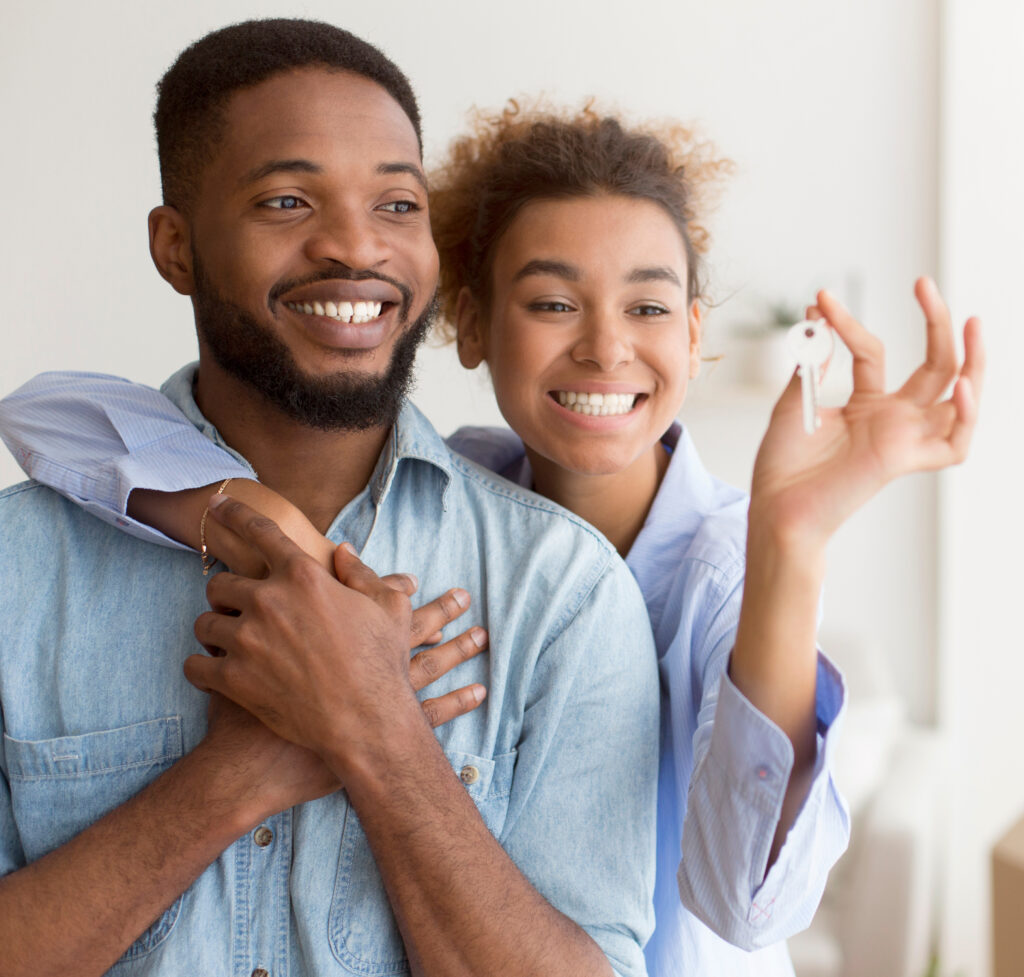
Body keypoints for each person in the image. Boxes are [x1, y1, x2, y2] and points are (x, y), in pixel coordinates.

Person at [0, 102, 984, 977]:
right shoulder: (449, 494)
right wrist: (273, 526)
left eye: (645, 306)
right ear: (468, 325)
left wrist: (792, 537)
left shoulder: (723, 568)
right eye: (552, 303)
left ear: (692, 333)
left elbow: (750, 902)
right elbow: (48, 414)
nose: (603, 345)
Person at [0, 21, 663, 977]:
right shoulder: (21, 571)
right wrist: (232, 778)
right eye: (285, 199)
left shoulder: (561, 591)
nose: (356, 245)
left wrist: (377, 729)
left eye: (398, 202)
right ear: (176, 248)